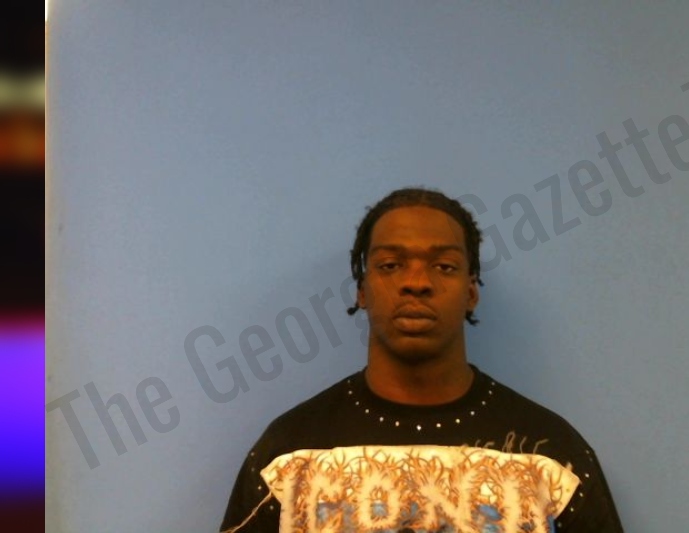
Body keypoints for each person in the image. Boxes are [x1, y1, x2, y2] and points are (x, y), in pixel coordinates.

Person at [220, 187, 624, 532]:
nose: (416, 282)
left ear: (471, 292)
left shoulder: (550, 457)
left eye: (444, 266)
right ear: (362, 290)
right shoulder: (289, 456)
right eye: (390, 265)